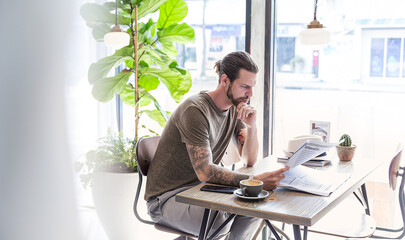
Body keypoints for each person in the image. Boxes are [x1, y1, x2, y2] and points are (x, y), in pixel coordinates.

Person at [145, 51, 289, 239]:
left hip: (201, 190)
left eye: (252, 87)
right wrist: (254, 181)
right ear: (225, 80)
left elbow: (249, 159)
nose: (250, 94)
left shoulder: (234, 107)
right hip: (167, 199)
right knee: (219, 222)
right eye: (244, 86)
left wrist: (252, 127)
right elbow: (204, 171)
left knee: (256, 206)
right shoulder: (195, 111)